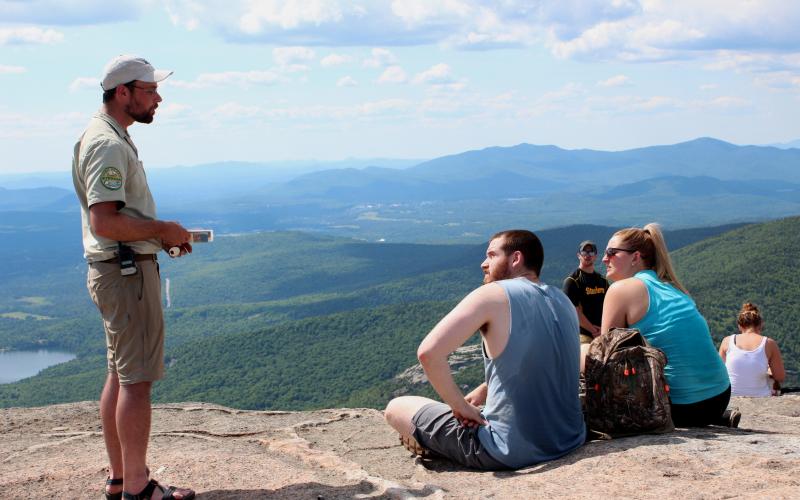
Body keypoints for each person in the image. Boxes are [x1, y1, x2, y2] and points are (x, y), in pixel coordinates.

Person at [72, 55, 194, 500]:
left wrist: (157, 237)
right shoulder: (107, 144)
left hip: (117, 268)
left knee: (120, 374)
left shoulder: (105, 136)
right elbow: (104, 222)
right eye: (149, 89)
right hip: (125, 273)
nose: (158, 98)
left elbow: (113, 221)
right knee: (136, 380)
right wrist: (161, 231)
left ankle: (122, 477)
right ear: (122, 92)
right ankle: (139, 489)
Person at [384, 230, 586, 470]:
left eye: (491, 255)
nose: (483, 263)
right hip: (571, 438)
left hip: (507, 450)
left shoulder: (493, 294)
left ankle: (431, 443)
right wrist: (486, 388)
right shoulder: (562, 300)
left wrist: (460, 407)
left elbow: (428, 354)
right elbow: (543, 360)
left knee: (396, 407)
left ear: (515, 259)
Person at [599, 223, 737, 428]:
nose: (604, 259)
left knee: (584, 353)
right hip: (718, 397)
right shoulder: (673, 287)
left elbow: (604, 357)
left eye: (612, 252)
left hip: (679, 408)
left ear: (636, 257)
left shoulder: (620, 290)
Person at [719, 303, 785, 397]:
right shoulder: (769, 343)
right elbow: (780, 376)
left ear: (739, 325)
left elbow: (718, 372)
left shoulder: (727, 341)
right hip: (761, 398)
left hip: (730, 397)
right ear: (761, 324)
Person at [563, 240, 609, 344]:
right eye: (584, 252)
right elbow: (573, 311)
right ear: (578, 255)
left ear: (596, 256)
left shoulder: (603, 281)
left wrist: (604, 329)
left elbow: (609, 305)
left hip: (603, 332)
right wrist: (593, 330)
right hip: (582, 334)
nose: (588, 255)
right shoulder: (572, 281)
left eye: (591, 252)